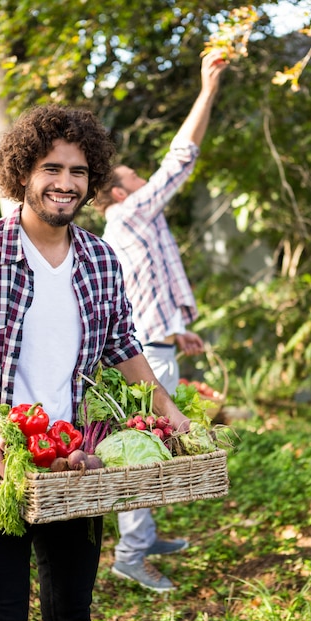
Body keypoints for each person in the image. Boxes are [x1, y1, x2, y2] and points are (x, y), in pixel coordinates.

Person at [0, 104, 193, 621]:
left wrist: (168, 410)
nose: (66, 183)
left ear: (92, 183)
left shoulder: (101, 260)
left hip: (72, 459)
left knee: (71, 609)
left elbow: (122, 345)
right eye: (52, 169)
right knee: (0, 614)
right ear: (22, 174)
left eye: (78, 172)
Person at [94, 49, 229, 592]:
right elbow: (181, 157)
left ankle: (143, 539)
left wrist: (177, 328)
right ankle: (130, 554)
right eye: (136, 176)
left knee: (152, 448)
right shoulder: (130, 213)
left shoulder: (133, 225)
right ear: (124, 192)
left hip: (155, 341)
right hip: (145, 356)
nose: (147, 180)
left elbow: (141, 292)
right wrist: (208, 89)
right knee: (144, 454)